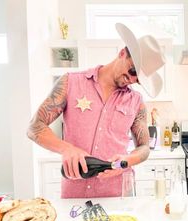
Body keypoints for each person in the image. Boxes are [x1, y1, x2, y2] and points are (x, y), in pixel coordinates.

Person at [27, 23, 165, 198]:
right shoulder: (70, 83)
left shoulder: (136, 102)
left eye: (137, 79)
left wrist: (127, 160)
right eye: (132, 70)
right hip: (75, 195)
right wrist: (66, 149)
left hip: (118, 195)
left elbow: (144, 147)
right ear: (122, 53)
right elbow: (34, 127)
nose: (131, 79)